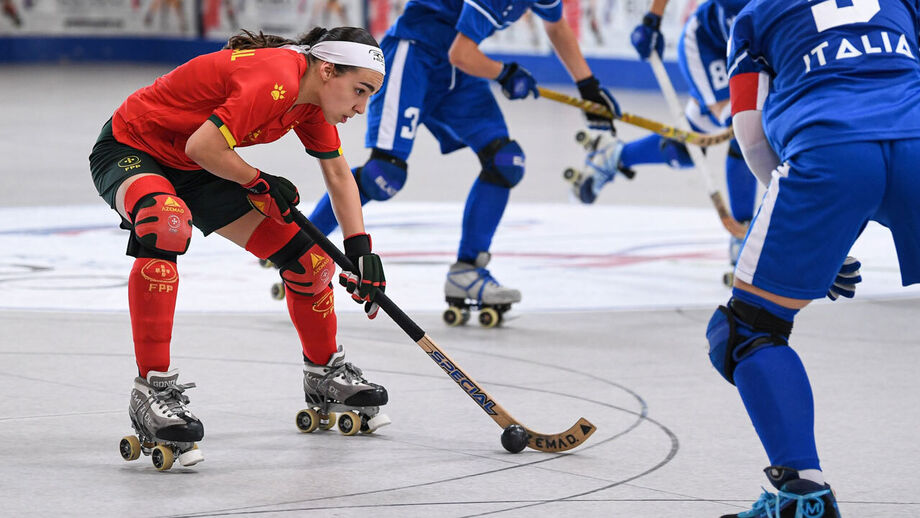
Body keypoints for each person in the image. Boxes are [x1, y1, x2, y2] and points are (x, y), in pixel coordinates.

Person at [89, 26, 390, 470]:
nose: (362, 107)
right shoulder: (277, 79)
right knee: (165, 223)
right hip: (134, 148)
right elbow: (203, 143)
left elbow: (340, 176)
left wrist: (361, 251)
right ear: (328, 70)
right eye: (360, 91)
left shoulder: (312, 100)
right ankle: (152, 392)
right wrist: (257, 181)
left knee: (310, 262)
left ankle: (324, 372)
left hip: (200, 164)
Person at [707, 0, 920, 515]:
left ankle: (802, 493)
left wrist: (812, 236)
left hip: (830, 152)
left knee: (748, 329)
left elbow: (750, 134)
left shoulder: (754, 16)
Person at [307, 0, 620, 325]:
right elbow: (463, 53)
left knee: (505, 161)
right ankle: (301, 248)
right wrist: (505, 73)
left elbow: (556, 25)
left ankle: (468, 271)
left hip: (455, 70)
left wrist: (588, 87)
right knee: (384, 175)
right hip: (415, 55)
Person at [575, 0, 756, 271]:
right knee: (744, 127)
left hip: (752, 46)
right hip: (710, 46)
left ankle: (614, 156)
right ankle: (743, 233)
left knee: (685, 149)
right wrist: (653, 18)